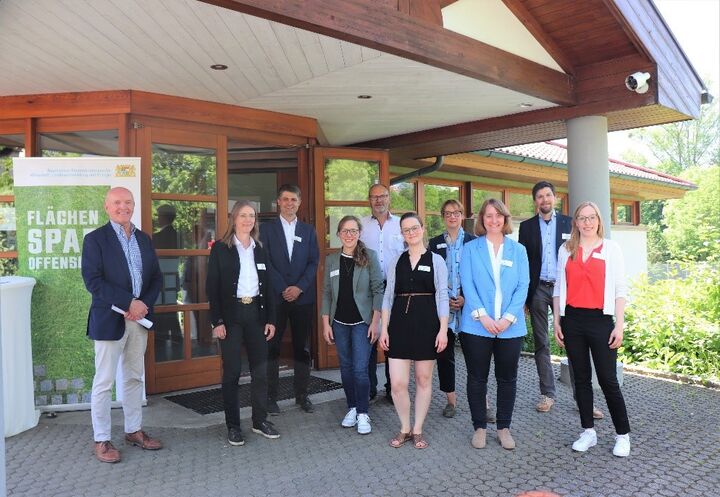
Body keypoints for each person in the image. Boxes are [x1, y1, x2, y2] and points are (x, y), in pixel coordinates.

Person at [81, 187, 163, 463]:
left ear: (133, 205)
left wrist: (142, 305)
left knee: (133, 378)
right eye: (117, 202)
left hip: (139, 321)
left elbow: (155, 279)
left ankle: (133, 430)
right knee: (104, 382)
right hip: (109, 320)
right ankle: (102, 439)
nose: (123, 207)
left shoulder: (144, 239)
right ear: (107, 207)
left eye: (127, 202)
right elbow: (93, 281)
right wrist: (129, 302)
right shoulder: (95, 240)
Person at [553, 201, 631, 457]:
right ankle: (588, 431)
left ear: (599, 221)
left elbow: (620, 290)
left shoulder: (612, 248)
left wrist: (619, 325)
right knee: (581, 379)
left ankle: (622, 435)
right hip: (572, 320)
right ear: (575, 222)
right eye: (581, 218)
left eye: (591, 218)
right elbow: (558, 289)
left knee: (608, 380)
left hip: (601, 320)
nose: (586, 222)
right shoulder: (566, 249)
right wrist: (557, 321)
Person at [519, 182, 604, 419]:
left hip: (566, 290)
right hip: (538, 290)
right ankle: (547, 394)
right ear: (535, 201)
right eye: (539, 196)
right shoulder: (526, 228)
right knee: (541, 343)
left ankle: (582, 399)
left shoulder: (570, 223)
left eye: (548, 195)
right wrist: (525, 297)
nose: (544, 199)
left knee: (574, 344)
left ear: (555, 198)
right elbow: (524, 263)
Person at [206, 200, 279, 446]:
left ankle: (259, 421)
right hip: (231, 316)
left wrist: (271, 319)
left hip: (256, 314)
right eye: (243, 215)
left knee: (260, 371)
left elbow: (268, 287)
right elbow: (212, 289)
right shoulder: (220, 249)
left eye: (252, 216)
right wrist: (216, 321)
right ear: (234, 219)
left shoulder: (260, 248)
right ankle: (233, 426)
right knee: (233, 373)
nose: (248, 220)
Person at [459, 198, 529, 450]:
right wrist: (483, 316)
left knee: (507, 379)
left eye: (498, 215)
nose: (494, 220)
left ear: (505, 219)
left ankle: (503, 428)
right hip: (477, 326)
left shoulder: (518, 250)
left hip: (510, 327)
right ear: (482, 220)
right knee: (477, 378)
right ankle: (479, 427)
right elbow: (467, 284)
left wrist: (507, 318)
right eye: (488, 216)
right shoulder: (471, 249)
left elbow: (523, 286)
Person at [379, 212, 448, 449]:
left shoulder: (436, 260)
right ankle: (404, 427)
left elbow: (442, 296)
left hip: (427, 324)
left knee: (423, 378)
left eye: (414, 228)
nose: (411, 232)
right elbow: (387, 297)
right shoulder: (395, 261)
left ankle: (417, 429)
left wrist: (443, 330)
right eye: (406, 229)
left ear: (422, 228)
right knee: (397, 383)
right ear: (402, 234)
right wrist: (384, 329)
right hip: (398, 324)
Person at [321, 216, 384, 435]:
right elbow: (327, 293)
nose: (349, 235)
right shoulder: (331, 260)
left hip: (362, 323)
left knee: (360, 370)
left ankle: (363, 412)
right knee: (346, 369)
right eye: (345, 231)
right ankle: (352, 407)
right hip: (339, 323)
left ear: (359, 233)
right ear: (338, 234)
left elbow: (378, 290)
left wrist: (375, 323)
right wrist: (325, 324)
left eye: (353, 231)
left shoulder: (370, 257)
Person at [261, 184, 320, 414]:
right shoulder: (266, 230)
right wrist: (284, 288)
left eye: (293, 199)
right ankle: (270, 397)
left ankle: (302, 395)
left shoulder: (308, 230)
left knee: (302, 348)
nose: (289, 203)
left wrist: (299, 287)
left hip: (302, 298)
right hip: (276, 298)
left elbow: (313, 262)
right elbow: (265, 261)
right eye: (285, 199)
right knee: (272, 348)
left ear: (299, 202)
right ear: (278, 202)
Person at [428, 199, 476, 418]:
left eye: (456, 212)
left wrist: (466, 298)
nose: (452, 217)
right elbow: (431, 277)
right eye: (447, 213)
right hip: (443, 308)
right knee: (445, 356)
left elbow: (479, 277)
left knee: (475, 356)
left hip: (469, 307)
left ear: (462, 215)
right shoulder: (434, 243)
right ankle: (451, 402)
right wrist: (443, 299)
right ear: (443, 217)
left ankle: (481, 402)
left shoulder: (475, 242)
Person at [360, 183, 405, 403]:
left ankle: (391, 388)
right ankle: (369, 389)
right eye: (374, 197)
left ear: (389, 199)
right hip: (368, 289)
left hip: (395, 288)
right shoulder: (361, 225)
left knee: (394, 338)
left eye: (383, 196)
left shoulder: (400, 226)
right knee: (370, 336)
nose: (379, 200)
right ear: (369, 200)